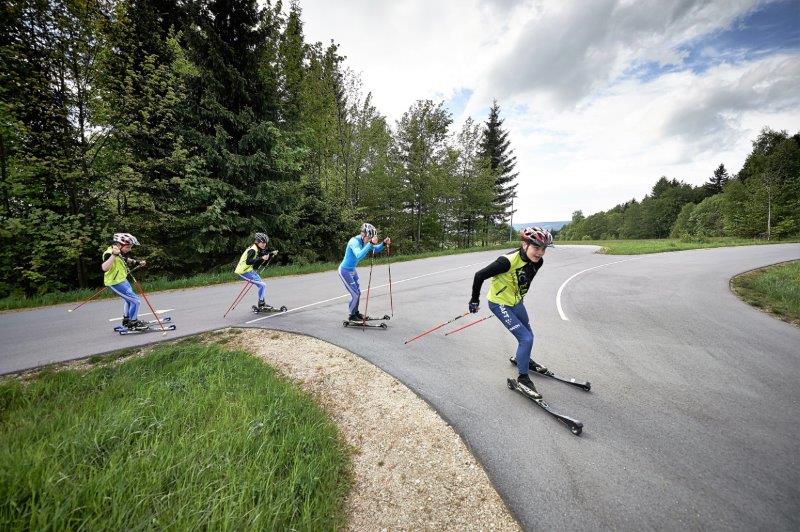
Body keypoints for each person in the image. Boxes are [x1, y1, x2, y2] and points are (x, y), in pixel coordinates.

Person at [469, 227, 554, 398]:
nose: (540, 253)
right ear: (525, 244)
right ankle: (523, 378)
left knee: (529, 335)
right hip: (500, 303)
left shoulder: (538, 262)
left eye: (544, 249)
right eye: (536, 247)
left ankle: (522, 359)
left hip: (516, 303)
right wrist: (474, 300)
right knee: (526, 338)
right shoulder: (506, 262)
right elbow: (479, 275)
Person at [339, 223, 391, 321]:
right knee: (355, 294)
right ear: (363, 235)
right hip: (344, 270)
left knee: (358, 292)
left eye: (370, 238)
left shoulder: (365, 241)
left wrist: (383, 243)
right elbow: (358, 255)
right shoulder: (353, 242)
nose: (368, 240)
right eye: (368, 238)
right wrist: (370, 243)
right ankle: (352, 315)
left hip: (352, 269)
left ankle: (356, 313)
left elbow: (376, 249)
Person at [101, 232, 147, 330]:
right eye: (128, 247)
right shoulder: (109, 253)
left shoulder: (120, 253)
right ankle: (133, 322)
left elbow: (125, 259)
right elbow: (104, 267)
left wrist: (137, 262)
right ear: (119, 245)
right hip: (115, 283)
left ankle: (127, 320)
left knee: (129, 300)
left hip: (122, 280)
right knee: (136, 301)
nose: (130, 249)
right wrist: (114, 255)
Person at [234, 232, 278, 310]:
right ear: (258, 242)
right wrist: (262, 258)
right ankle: (261, 304)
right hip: (243, 271)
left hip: (248, 270)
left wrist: (270, 254)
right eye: (263, 242)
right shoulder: (253, 250)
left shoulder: (257, 248)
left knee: (261, 285)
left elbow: (262, 259)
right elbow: (248, 261)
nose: (264, 244)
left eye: (265, 243)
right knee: (262, 285)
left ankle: (262, 304)